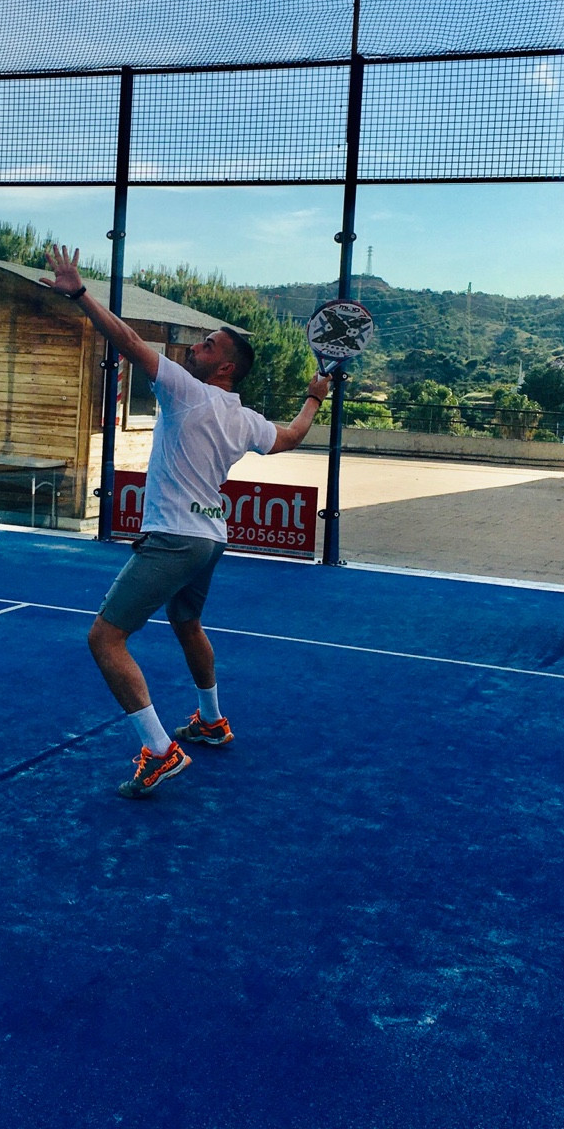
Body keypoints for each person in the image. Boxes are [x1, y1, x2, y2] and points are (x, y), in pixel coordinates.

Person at [41, 244, 331, 798]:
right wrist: (314, 397)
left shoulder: (187, 391)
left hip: (175, 537)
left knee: (105, 639)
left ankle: (159, 750)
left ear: (225, 367)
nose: (196, 347)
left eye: (208, 344)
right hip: (210, 538)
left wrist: (79, 294)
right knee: (187, 623)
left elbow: (128, 341)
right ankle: (212, 721)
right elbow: (293, 436)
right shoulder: (245, 419)